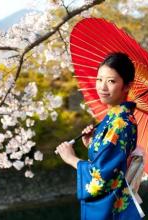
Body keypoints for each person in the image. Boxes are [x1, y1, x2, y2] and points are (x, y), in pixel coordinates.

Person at [56, 52, 142, 219]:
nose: (102, 87)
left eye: (111, 81)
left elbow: (102, 175)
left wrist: (71, 158)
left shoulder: (120, 123)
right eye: (99, 79)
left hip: (110, 209)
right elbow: (110, 157)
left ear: (126, 86)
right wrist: (93, 143)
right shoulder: (115, 118)